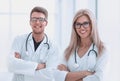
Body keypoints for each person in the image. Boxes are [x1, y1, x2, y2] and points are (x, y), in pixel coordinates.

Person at [8, 6, 61, 81]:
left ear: (46, 23)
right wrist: (39, 66)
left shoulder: (54, 46)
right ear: (30, 22)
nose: (37, 22)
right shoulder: (19, 40)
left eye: (41, 19)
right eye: (34, 19)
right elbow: (10, 65)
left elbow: (51, 74)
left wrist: (21, 71)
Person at [57, 9, 108, 81]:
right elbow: (59, 76)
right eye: (78, 24)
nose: (81, 28)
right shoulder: (68, 51)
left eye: (85, 23)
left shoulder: (102, 49)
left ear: (92, 24)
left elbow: (98, 78)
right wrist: (85, 73)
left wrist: (69, 76)